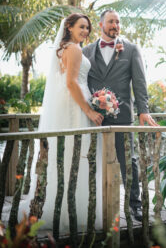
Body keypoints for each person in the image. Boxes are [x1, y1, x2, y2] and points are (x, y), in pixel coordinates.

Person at [18, 13, 104, 234]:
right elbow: (71, 82)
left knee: (67, 156)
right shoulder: (74, 49)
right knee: (78, 154)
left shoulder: (66, 47)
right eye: (81, 27)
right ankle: (72, 211)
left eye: (88, 28)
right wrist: (89, 110)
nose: (86, 31)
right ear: (69, 27)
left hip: (70, 103)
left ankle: (62, 207)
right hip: (75, 106)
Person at [83, 9, 158, 221]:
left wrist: (143, 110)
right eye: (111, 22)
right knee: (91, 159)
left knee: (129, 161)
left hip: (122, 115)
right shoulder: (87, 51)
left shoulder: (132, 49)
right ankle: (93, 203)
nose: (115, 25)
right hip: (93, 116)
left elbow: (140, 82)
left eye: (118, 22)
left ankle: (135, 205)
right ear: (100, 25)